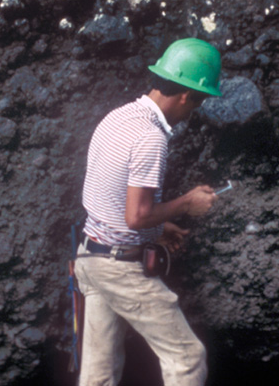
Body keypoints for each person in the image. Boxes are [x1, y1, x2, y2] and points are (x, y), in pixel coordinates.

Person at [75, 37, 222, 386]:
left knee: (98, 375)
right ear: (186, 95)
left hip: (89, 256)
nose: (193, 112)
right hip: (118, 268)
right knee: (187, 357)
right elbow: (136, 216)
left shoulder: (119, 116)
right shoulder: (150, 137)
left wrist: (160, 227)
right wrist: (187, 203)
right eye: (197, 103)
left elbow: (114, 199)